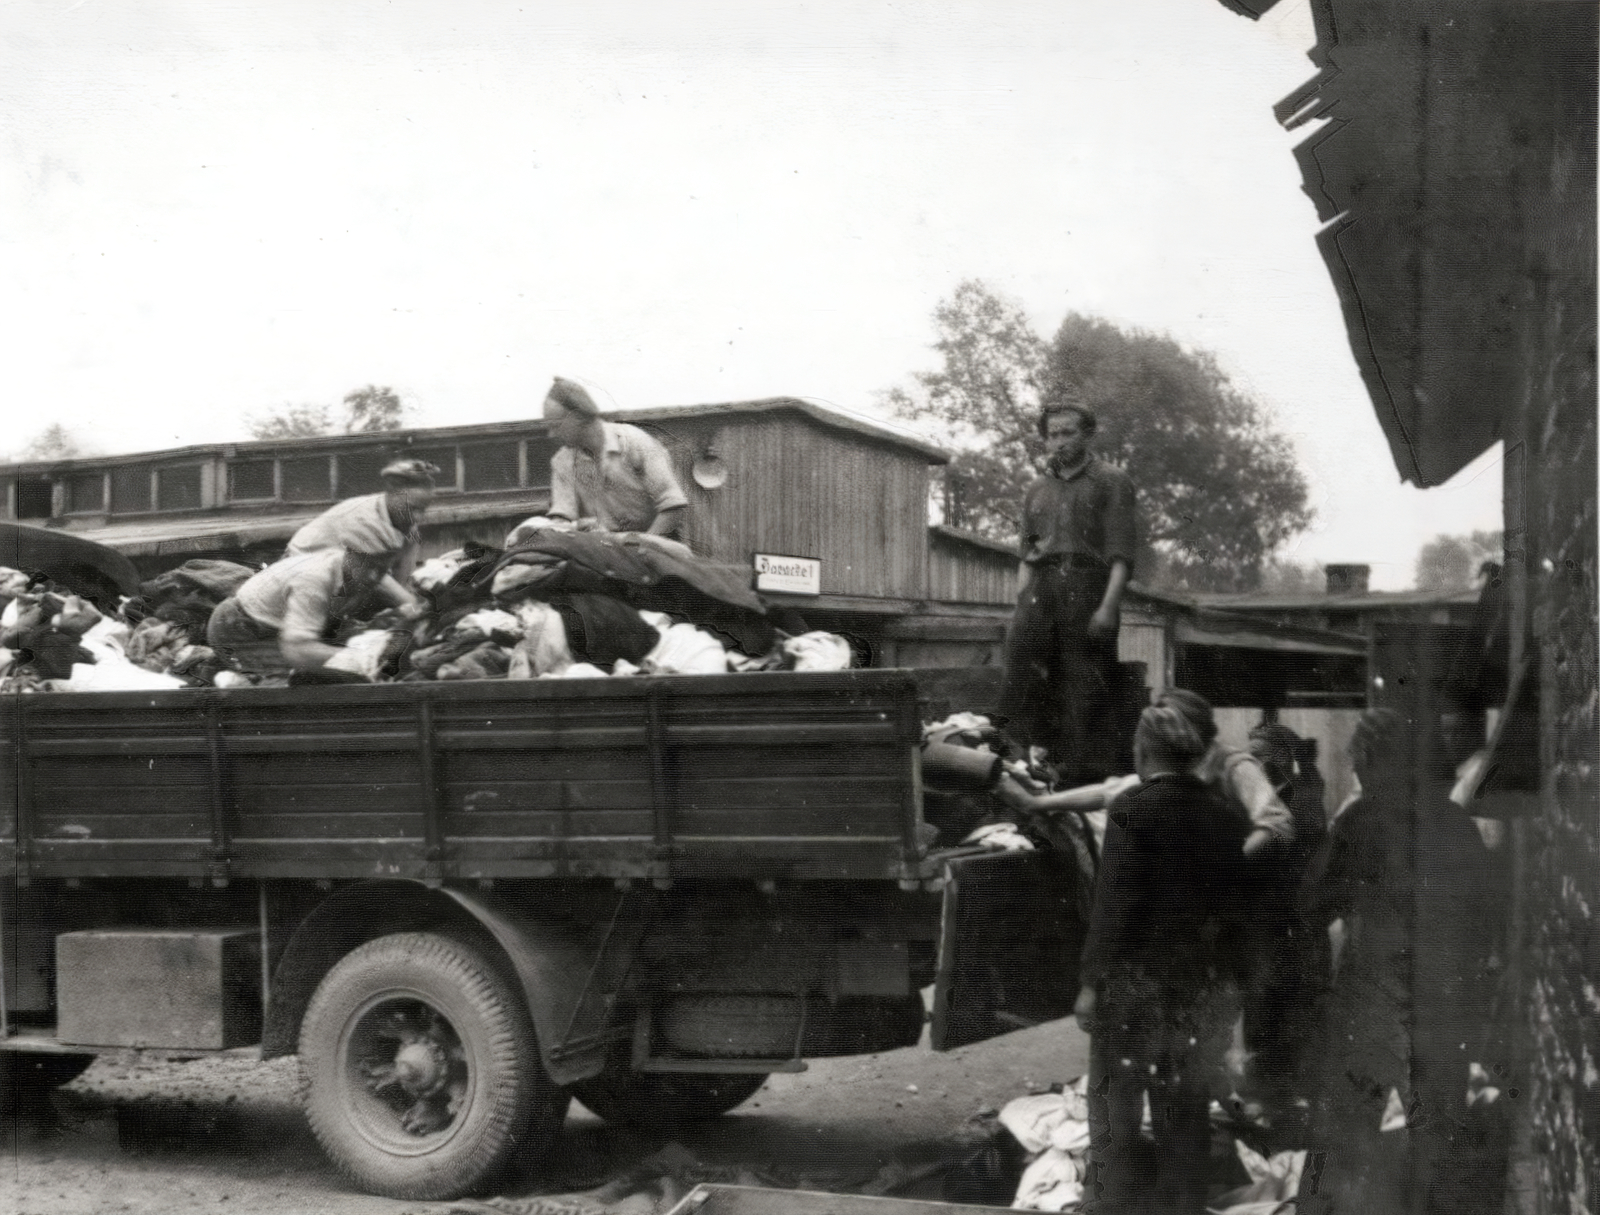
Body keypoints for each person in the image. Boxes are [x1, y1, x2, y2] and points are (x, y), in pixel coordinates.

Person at [1297, 708, 1494, 1215]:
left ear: (1373, 761)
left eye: (1359, 759)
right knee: (1439, 1148)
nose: (1357, 769)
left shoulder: (1361, 821)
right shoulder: (1458, 826)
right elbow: (1484, 929)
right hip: (1442, 1011)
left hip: (1371, 1008)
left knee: (1338, 1140)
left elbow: (1311, 907)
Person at [1076, 703, 1249, 1214]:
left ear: (1145, 751)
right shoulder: (1226, 817)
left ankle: (1108, 1204)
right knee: (1184, 1104)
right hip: (1196, 988)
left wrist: (1090, 983)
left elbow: (1114, 907)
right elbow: (1238, 915)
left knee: (1114, 1100)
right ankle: (1182, 1206)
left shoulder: (1132, 810)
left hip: (1134, 989)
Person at [997, 398, 1138, 785]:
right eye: (1052, 434)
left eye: (1068, 432)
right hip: (1042, 587)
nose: (1058, 441)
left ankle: (1076, 773)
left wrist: (1108, 608)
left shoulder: (1112, 481)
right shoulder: (1037, 489)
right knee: (1018, 667)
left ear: (1088, 435)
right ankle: (1018, 756)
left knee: (1083, 683)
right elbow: (1028, 554)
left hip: (1088, 586)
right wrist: (1021, 606)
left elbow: (1122, 553)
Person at [283, 457, 438, 620]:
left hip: (347, 572)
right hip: (301, 568)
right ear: (391, 493)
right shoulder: (365, 519)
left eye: (423, 510)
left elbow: (403, 569)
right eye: (412, 508)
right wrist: (413, 606)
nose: (418, 517)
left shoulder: (404, 520)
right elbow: (373, 575)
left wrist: (408, 601)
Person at [207, 547, 398, 679]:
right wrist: (361, 658)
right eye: (371, 567)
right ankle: (238, 680)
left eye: (381, 570)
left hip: (284, 627)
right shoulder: (314, 580)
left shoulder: (363, 568)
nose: (375, 576)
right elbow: (298, 652)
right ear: (350, 555)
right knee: (298, 685)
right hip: (240, 629)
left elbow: (410, 604)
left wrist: (411, 612)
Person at [542, 377, 689, 538]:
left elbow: (674, 507)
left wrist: (643, 545)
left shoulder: (634, 442)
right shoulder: (562, 461)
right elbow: (563, 516)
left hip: (658, 542)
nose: (551, 434)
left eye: (555, 426)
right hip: (605, 549)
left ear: (578, 416)